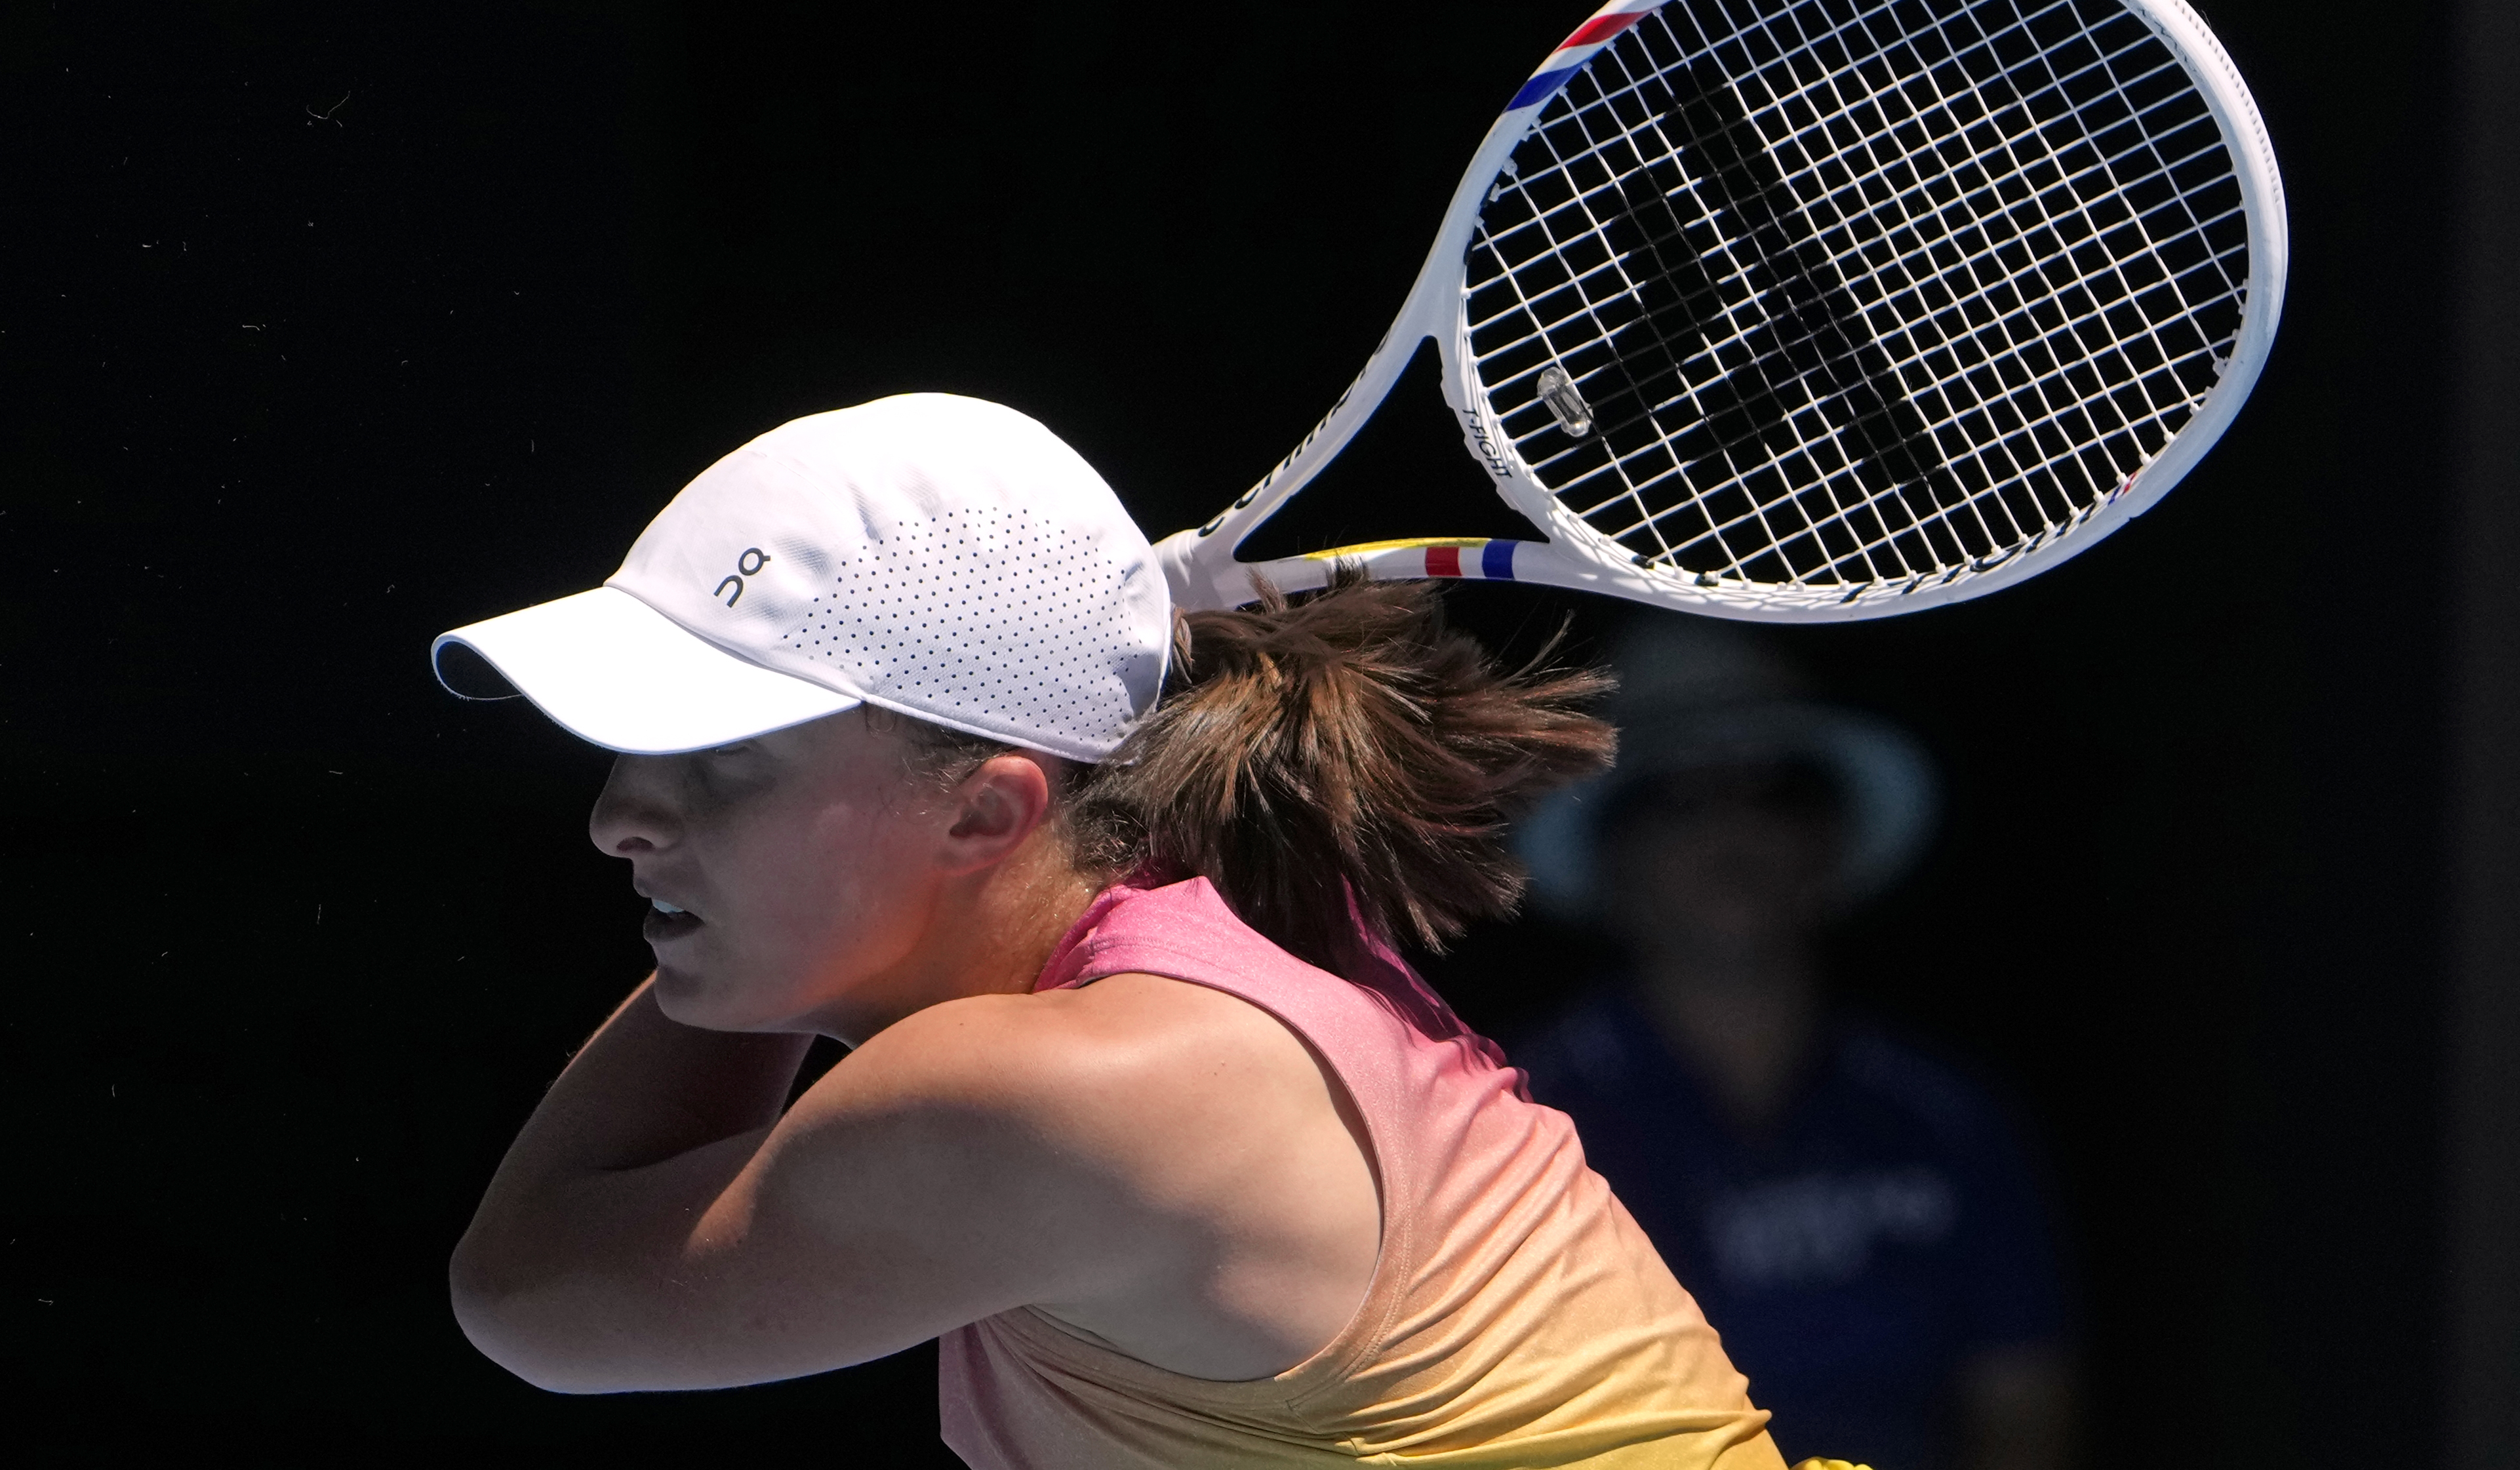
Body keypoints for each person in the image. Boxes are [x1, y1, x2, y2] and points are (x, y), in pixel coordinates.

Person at [433, 393, 1860, 1470]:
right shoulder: (1196, 925)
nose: (618, 819)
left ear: (987, 811)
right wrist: (794, 932)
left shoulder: (1055, 1095)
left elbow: (528, 1292)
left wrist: (788, 954)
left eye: (720, 761)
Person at [1512, 618, 2074, 1470]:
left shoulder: (1947, 1116)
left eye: (1773, 789)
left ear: (1830, 838)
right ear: (1608, 857)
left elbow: (2026, 1406)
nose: (1730, 830)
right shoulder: (1515, 1127)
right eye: (1676, 798)